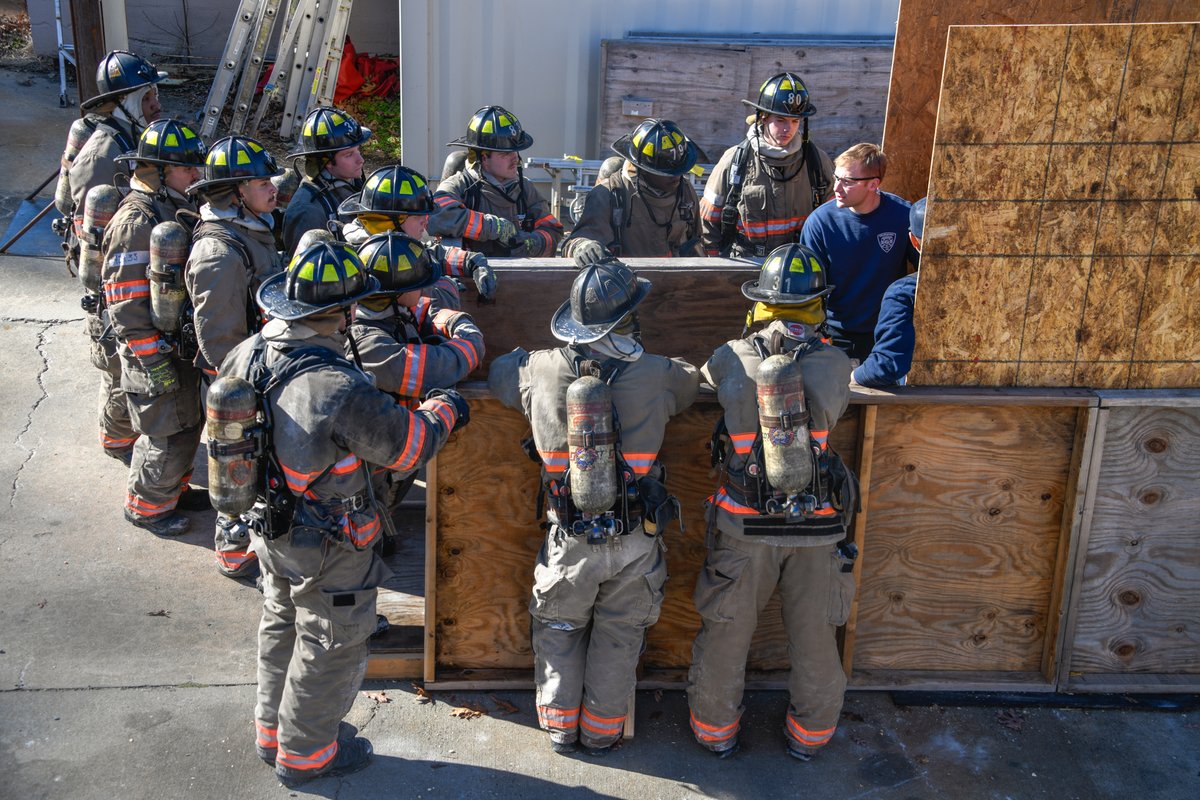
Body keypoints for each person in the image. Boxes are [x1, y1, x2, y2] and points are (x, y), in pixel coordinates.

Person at [217, 241, 468, 787]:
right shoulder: (336, 386)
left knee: (282, 621)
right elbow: (408, 447)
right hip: (329, 543)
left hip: (270, 528)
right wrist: (446, 408)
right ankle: (306, 754)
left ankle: (274, 731)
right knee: (330, 641)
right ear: (344, 312)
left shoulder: (248, 353)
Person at [488, 261, 699, 754]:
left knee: (560, 629)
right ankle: (603, 733)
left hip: (569, 539)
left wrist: (524, 355)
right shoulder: (655, 373)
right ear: (628, 319)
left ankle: (560, 728)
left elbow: (503, 374)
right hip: (635, 541)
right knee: (620, 635)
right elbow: (690, 383)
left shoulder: (539, 369)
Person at [688, 243, 858, 761]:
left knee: (726, 634)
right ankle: (811, 738)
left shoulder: (730, 357)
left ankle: (714, 733)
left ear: (760, 303)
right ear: (817, 304)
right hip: (817, 529)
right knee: (814, 639)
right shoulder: (834, 363)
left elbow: (705, 378)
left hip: (745, 528)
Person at [101, 119, 209, 537]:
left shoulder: (169, 205)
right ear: (158, 170)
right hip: (152, 354)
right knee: (164, 434)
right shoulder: (135, 221)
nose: (196, 175)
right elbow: (125, 304)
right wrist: (151, 362)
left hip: (173, 348)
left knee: (185, 426)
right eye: (186, 168)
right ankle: (146, 507)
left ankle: (171, 491)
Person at [185, 134, 284, 579]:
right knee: (241, 461)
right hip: (239, 383)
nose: (273, 188)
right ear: (237, 192)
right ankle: (234, 548)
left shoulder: (252, 228)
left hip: (262, 367)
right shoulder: (219, 252)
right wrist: (255, 386)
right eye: (262, 182)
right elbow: (220, 343)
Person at [64, 50, 165, 464]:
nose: (156, 104)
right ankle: (117, 442)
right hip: (111, 280)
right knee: (119, 369)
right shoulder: (103, 152)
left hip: (132, 264)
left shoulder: (131, 133)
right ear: (125, 99)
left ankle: (121, 435)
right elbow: (91, 227)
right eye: (148, 97)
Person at [799, 143, 916, 362]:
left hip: (887, 334)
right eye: (836, 178)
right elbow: (806, 290)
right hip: (834, 334)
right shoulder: (820, 223)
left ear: (873, 184)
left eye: (848, 182)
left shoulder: (903, 216)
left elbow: (925, 275)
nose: (836, 188)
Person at [699, 72, 834, 259]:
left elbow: (834, 216)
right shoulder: (734, 161)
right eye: (780, 120)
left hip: (799, 265)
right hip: (746, 265)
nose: (788, 129)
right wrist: (716, 268)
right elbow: (708, 223)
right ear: (763, 117)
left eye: (795, 121)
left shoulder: (816, 161)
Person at [339, 164, 497, 303]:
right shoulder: (370, 262)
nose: (426, 221)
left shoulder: (389, 247)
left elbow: (430, 254)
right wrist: (447, 286)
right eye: (417, 216)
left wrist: (473, 262)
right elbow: (421, 302)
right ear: (390, 221)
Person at [428, 105, 563, 258]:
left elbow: (552, 229)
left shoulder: (524, 188)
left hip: (520, 276)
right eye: (505, 154)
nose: (516, 159)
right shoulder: (460, 186)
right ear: (484, 158)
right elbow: (436, 215)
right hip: (473, 277)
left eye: (516, 151)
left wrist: (534, 243)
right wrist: (492, 227)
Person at [563, 118, 702, 266]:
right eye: (666, 173)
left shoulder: (686, 192)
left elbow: (696, 241)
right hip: (625, 284)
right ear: (643, 169)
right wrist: (583, 246)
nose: (676, 178)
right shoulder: (609, 195)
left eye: (679, 171)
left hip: (675, 284)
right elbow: (574, 242)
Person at [852, 197, 924, 388]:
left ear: (913, 241)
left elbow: (887, 366)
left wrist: (852, 378)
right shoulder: (1006, 282)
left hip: (924, 407)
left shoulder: (903, 293)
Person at [281, 106, 372, 255]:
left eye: (358, 150)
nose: (360, 160)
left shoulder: (352, 182)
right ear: (326, 160)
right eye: (349, 154)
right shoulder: (307, 211)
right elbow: (305, 271)